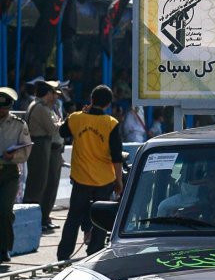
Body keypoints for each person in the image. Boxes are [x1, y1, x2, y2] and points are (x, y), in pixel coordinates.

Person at [56, 85, 124, 261]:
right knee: (100, 219)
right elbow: (117, 157)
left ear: (91, 100)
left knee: (73, 218)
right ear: (108, 104)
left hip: (81, 179)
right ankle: (94, 252)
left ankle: (63, 254)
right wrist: (119, 182)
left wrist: (81, 113)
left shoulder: (76, 118)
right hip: (104, 180)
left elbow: (62, 132)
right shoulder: (111, 123)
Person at [23, 80, 65, 233]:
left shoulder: (46, 108)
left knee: (46, 183)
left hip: (47, 146)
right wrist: (60, 123)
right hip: (40, 144)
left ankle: (43, 218)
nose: (56, 97)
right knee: (38, 183)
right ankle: (34, 219)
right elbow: (52, 128)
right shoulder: (40, 108)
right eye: (54, 94)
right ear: (48, 93)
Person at [0, 88, 32, 265]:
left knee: (4, 210)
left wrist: (14, 156)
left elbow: (26, 149)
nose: (1, 112)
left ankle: (4, 249)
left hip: (9, 172)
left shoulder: (19, 125)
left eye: (5, 109)